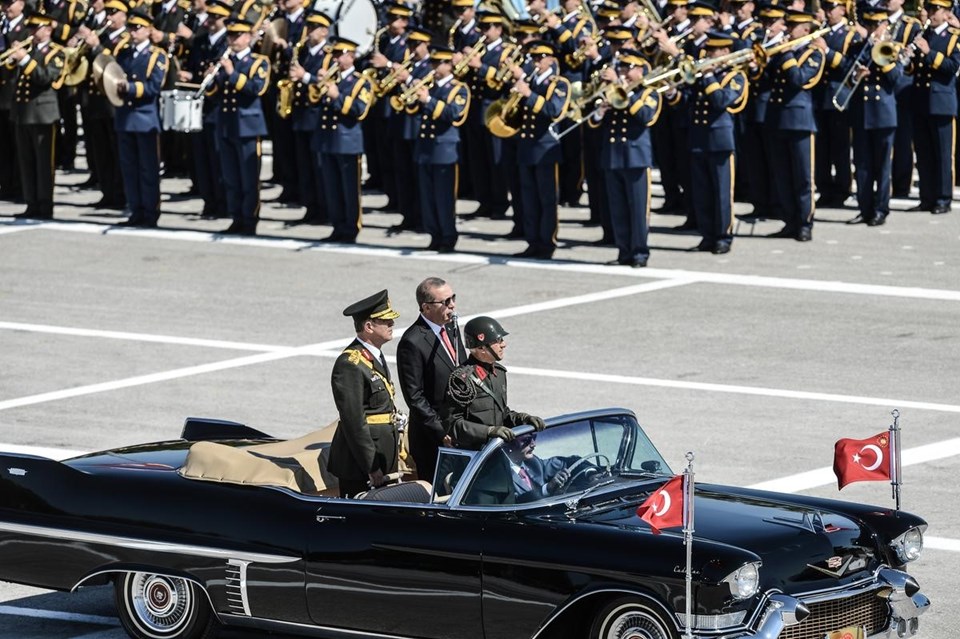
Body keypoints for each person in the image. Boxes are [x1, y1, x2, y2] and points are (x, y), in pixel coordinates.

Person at [328, 289, 402, 498]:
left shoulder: (373, 356)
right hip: (360, 464)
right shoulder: (350, 364)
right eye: (385, 321)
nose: (391, 325)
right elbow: (353, 421)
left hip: (381, 454)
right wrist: (371, 465)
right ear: (369, 326)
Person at [396, 277, 467, 484]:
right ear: (426, 307)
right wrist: (441, 431)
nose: (452, 305)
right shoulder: (413, 341)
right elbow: (415, 397)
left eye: (452, 298)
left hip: (459, 428)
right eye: (445, 302)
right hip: (433, 438)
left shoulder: (452, 328)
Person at [444, 316, 546, 450]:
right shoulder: (461, 380)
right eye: (497, 341)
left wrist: (524, 419)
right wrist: (488, 431)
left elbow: (502, 414)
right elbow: (452, 424)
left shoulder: (499, 373)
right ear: (481, 347)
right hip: (474, 456)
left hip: (496, 451)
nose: (504, 344)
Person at [208, 16, 269, 235]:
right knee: (231, 177)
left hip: (248, 126)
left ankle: (250, 219)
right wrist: (211, 80)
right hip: (226, 124)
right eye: (230, 36)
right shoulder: (225, 61)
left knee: (248, 178)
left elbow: (256, 88)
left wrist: (232, 73)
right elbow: (216, 96)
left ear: (248, 37)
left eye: (237, 36)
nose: (232, 40)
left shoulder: (258, 62)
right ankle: (236, 217)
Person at [7, 11, 65, 221]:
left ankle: (44, 205)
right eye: (30, 28)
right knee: (26, 161)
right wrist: (15, 59)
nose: (32, 32)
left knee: (43, 163)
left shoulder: (56, 53)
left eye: (36, 28)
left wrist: (24, 60)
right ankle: (31, 202)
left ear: (48, 29)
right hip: (22, 113)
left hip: (42, 114)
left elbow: (45, 77)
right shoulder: (28, 50)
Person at [114, 8, 168, 229]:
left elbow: (154, 87)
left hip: (145, 118)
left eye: (138, 28)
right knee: (129, 168)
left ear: (148, 30)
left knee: (148, 169)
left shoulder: (157, 56)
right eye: (131, 28)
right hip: (125, 117)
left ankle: (150, 211)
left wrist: (129, 88)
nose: (133, 32)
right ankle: (135, 209)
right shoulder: (124, 53)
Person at [502, 432, 577, 502]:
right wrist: (547, 488)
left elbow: (568, 462)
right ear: (509, 444)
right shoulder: (501, 476)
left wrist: (588, 474)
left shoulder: (533, 462)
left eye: (534, 437)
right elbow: (516, 502)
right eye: (526, 440)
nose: (533, 444)